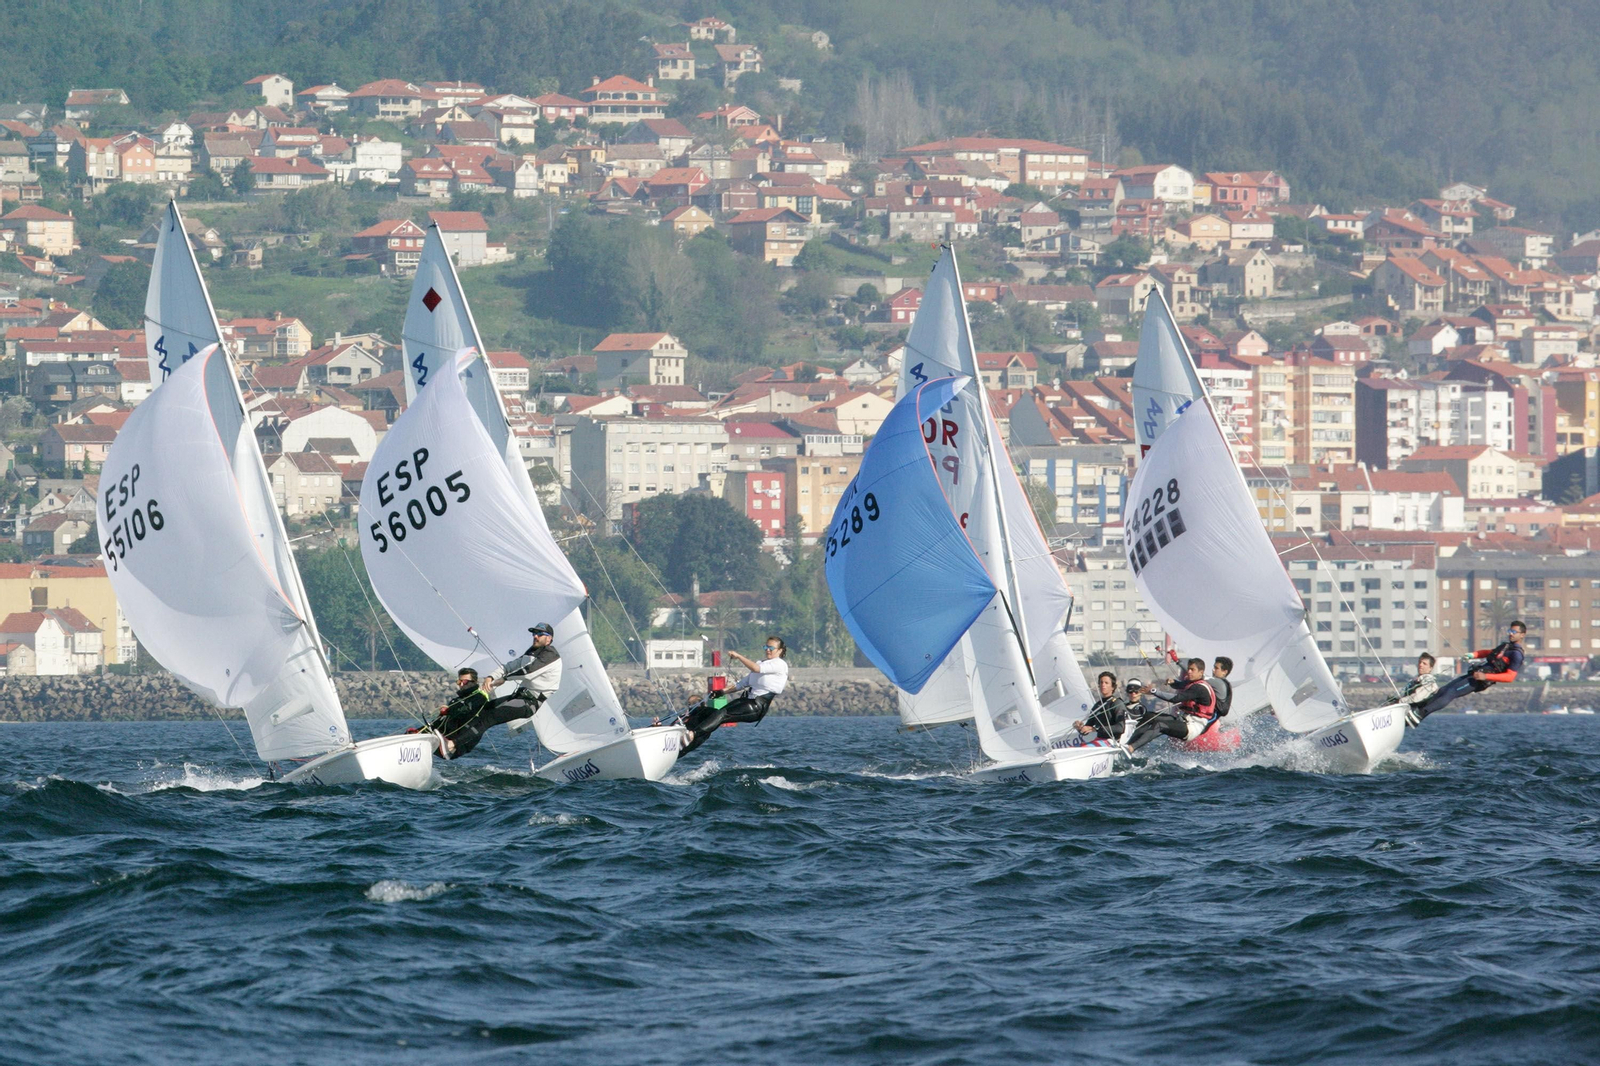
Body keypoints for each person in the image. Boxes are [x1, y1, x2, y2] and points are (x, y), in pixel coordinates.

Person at [678, 636, 788, 756]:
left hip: (757, 707)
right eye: (766, 647)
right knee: (710, 713)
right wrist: (721, 692)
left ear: (780, 650)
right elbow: (741, 684)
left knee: (722, 714)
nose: (767, 650)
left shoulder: (780, 664)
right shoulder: (762, 663)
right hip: (745, 701)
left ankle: (693, 734)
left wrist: (739, 656)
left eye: (771, 648)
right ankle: (684, 744)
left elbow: (756, 669)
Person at [1407, 623, 1525, 726]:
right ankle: (1417, 710)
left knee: (1451, 692)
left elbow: (1510, 677)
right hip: (1475, 674)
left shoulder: (1517, 655)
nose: (1511, 634)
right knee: (1443, 690)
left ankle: (1420, 715)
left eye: (1514, 632)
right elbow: (1488, 652)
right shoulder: (1505, 646)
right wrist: (1472, 655)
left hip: (1479, 681)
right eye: (1510, 631)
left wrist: (1485, 677)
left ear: (1522, 635)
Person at [1125, 657, 1218, 752]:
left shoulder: (1199, 688)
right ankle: (1127, 742)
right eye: (1188, 669)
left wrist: (1154, 691)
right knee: (1150, 716)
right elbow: (1181, 684)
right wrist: (1173, 682)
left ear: (1201, 672)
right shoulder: (1192, 682)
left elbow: (1176, 699)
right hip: (1184, 720)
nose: (1189, 671)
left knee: (1159, 725)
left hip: (1193, 727)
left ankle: (1131, 748)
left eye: (1192, 670)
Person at [481, 623, 563, 725]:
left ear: (549, 639)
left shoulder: (551, 654)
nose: (535, 636)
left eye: (539, 634)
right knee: (483, 709)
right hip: (518, 696)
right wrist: (491, 677)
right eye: (534, 633)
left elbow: (528, 672)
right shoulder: (531, 652)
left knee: (490, 717)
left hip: (530, 703)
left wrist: (504, 679)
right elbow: (509, 666)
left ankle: (455, 741)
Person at [1067, 671, 1127, 745]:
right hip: (1099, 741)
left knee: (1083, 748)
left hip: (1112, 742)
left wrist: (1096, 729)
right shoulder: (1097, 706)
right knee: (1074, 748)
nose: (1103, 685)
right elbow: (1087, 729)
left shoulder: (1117, 703)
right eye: (1101, 682)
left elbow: (1120, 728)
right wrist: (1080, 728)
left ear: (1113, 687)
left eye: (1106, 683)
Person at [1395, 653, 1441, 717]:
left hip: (1412, 713)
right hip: (1402, 711)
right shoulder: (1416, 681)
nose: (1420, 665)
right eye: (1420, 662)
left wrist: (1399, 701)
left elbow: (1416, 698)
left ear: (1430, 668)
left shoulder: (1430, 683)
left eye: (1424, 663)